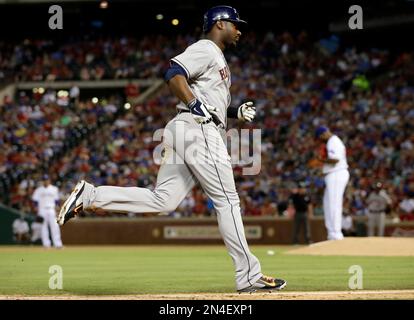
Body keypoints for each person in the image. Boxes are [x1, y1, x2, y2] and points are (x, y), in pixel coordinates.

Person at [57, 5, 286, 293]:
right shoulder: (206, 48)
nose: (239, 30)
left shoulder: (215, 55)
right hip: (196, 129)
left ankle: (91, 195)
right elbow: (173, 73)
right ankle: (248, 276)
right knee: (228, 201)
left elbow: (207, 102)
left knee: (163, 200)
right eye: (235, 24)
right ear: (219, 24)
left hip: (186, 128)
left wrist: (232, 110)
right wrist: (193, 103)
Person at [315, 126, 350, 240]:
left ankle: (336, 233)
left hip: (337, 173)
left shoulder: (332, 141)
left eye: (320, 137)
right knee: (328, 204)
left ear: (323, 134)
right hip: (334, 173)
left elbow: (335, 160)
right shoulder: (334, 141)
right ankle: (332, 233)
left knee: (334, 204)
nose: (321, 140)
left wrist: (321, 160)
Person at [32, 175, 63, 248]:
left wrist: (57, 209)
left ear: (49, 180)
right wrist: (35, 207)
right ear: (42, 181)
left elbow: (57, 200)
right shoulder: (38, 190)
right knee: (43, 227)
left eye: (47, 179)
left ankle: (58, 244)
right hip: (42, 209)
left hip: (51, 209)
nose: (45, 181)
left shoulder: (54, 189)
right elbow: (35, 201)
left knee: (55, 226)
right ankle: (46, 244)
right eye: (44, 180)